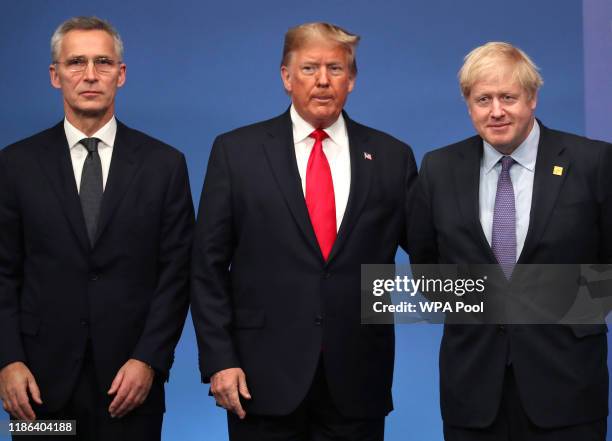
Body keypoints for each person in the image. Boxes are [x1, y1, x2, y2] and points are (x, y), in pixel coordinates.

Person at [191, 21, 417, 441]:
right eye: (310, 68)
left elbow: (431, 254)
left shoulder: (391, 156)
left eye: (335, 69)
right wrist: (219, 359)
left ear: (352, 79)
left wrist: (531, 295)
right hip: (259, 380)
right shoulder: (236, 152)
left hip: (357, 380)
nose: (324, 81)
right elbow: (206, 267)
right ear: (286, 77)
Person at [0, 16, 194, 440]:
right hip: (37, 388)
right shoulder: (14, 166)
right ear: (55, 75)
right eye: (76, 62)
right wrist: (7, 361)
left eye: (103, 62)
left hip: (130, 386)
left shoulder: (164, 165)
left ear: (120, 75)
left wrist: (149, 359)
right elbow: (3, 273)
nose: (90, 75)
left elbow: (177, 275)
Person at [408, 41, 611, 440]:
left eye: (508, 97)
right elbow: (425, 263)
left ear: (532, 98)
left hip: (567, 382)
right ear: (468, 105)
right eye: (483, 99)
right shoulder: (438, 168)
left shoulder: (593, 162)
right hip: (473, 386)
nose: (496, 111)